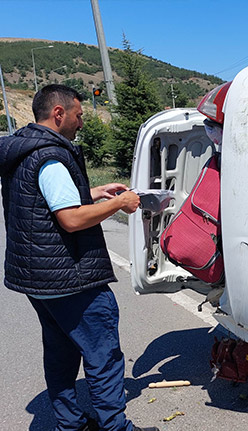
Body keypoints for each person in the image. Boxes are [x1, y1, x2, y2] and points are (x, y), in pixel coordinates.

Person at [0, 84, 158, 431]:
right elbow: (69, 219)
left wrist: (96, 192)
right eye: (79, 114)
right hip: (68, 277)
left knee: (60, 353)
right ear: (59, 113)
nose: (81, 122)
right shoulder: (51, 156)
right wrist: (118, 204)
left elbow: (45, 202)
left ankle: (69, 424)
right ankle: (114, 427)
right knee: (103, 356)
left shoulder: (25, 148)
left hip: (38, 279)